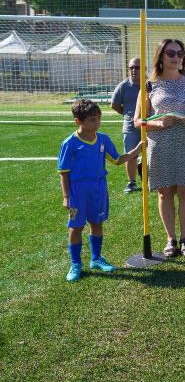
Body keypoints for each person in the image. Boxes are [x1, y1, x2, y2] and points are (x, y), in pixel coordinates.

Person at [135, 39, 185, 257]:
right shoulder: (149, 85)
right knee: (165, 192)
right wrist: (157, 123)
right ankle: (170, 239)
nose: (176, 57)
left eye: (179, 53)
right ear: (161, 56)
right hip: (160, 145)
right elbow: (138, 121)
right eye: (171, 53)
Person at [58, 100, 142, 282]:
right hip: (77, 192)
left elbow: (118, 159)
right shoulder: (70, 144)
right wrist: (66, 197)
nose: (97, 123)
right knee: (75, 227)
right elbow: (64, 173)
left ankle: (96, 258)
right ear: (78, 121)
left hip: (98, 188)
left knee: (97, 223)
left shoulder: (103, 139)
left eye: (98, 119)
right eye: (92, 120)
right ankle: (76, 263)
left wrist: (136, 150)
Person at [110, 57, 141, 193]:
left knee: (152, 154)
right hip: (130, 127)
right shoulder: (123, 86)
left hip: (149, 124)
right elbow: (114, 104)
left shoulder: (150, 83)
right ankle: (132, 182)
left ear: (144, 69)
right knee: (130, 155)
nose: (134, 70)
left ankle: (152, 180)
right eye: (131, 67)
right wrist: (128, 115)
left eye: (137, 67)